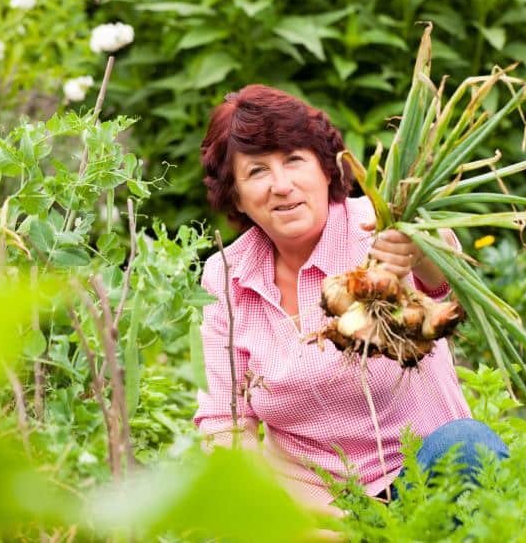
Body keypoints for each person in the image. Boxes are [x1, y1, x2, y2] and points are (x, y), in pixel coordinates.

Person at [193, 84, 508, 516]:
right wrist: (279, 520)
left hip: (426, 485)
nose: (281, 186)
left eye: (294, 160)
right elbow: (224, 423)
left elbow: (445, 285)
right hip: (313, 512)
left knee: (470, 447)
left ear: (327, 170)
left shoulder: (381, 225)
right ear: (237, 196)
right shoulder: (227, 277)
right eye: (257, 172)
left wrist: (420, 248)